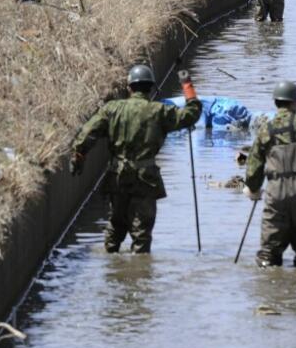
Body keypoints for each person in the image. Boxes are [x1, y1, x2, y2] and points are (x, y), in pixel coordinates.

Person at [70, 66, 202, 254]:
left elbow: (87, 133)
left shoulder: (112, 109)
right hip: (145, 180)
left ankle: (111, 271)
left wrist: (78, 156)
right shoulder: (160, 111)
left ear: (129, 87)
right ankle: (140, 273)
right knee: (141, 234)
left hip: (117, 178)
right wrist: (187, 84)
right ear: (150, 88)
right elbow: (192, 115)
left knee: (115, 227)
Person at [244, 81, 296, 267]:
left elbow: (254, 164)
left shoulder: (265, 128)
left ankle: (271, 286)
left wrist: (253, 188)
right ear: (295, 102)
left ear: (277, 102)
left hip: (276, 192)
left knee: (268, 254)